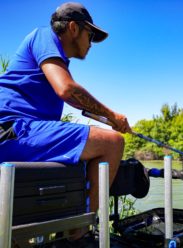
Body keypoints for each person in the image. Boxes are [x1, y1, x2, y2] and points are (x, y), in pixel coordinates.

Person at [0, 2, 131, 239]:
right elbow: (67, 90)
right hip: (12, 129)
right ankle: (80, 234)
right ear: (72, 27)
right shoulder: (43, 36)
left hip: (21, 132)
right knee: (112, 142)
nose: (91, 44)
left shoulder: (57, 59)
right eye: (90, 35)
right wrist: (113, 117)